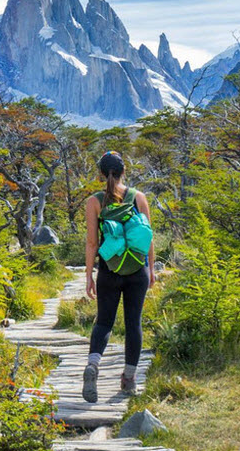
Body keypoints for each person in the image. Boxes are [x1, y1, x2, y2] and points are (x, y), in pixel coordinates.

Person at [82, 151, 155, 403]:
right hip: (137, 270)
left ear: (102, 174)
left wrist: (89, 275)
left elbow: (92, 243)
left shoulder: (95, 201)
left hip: (109, 271)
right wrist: (152, 269)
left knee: (104, 322)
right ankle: (129, 380)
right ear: (123, 171)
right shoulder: (139, 197)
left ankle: (93, 365)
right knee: (133, 323)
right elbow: (148, 238)